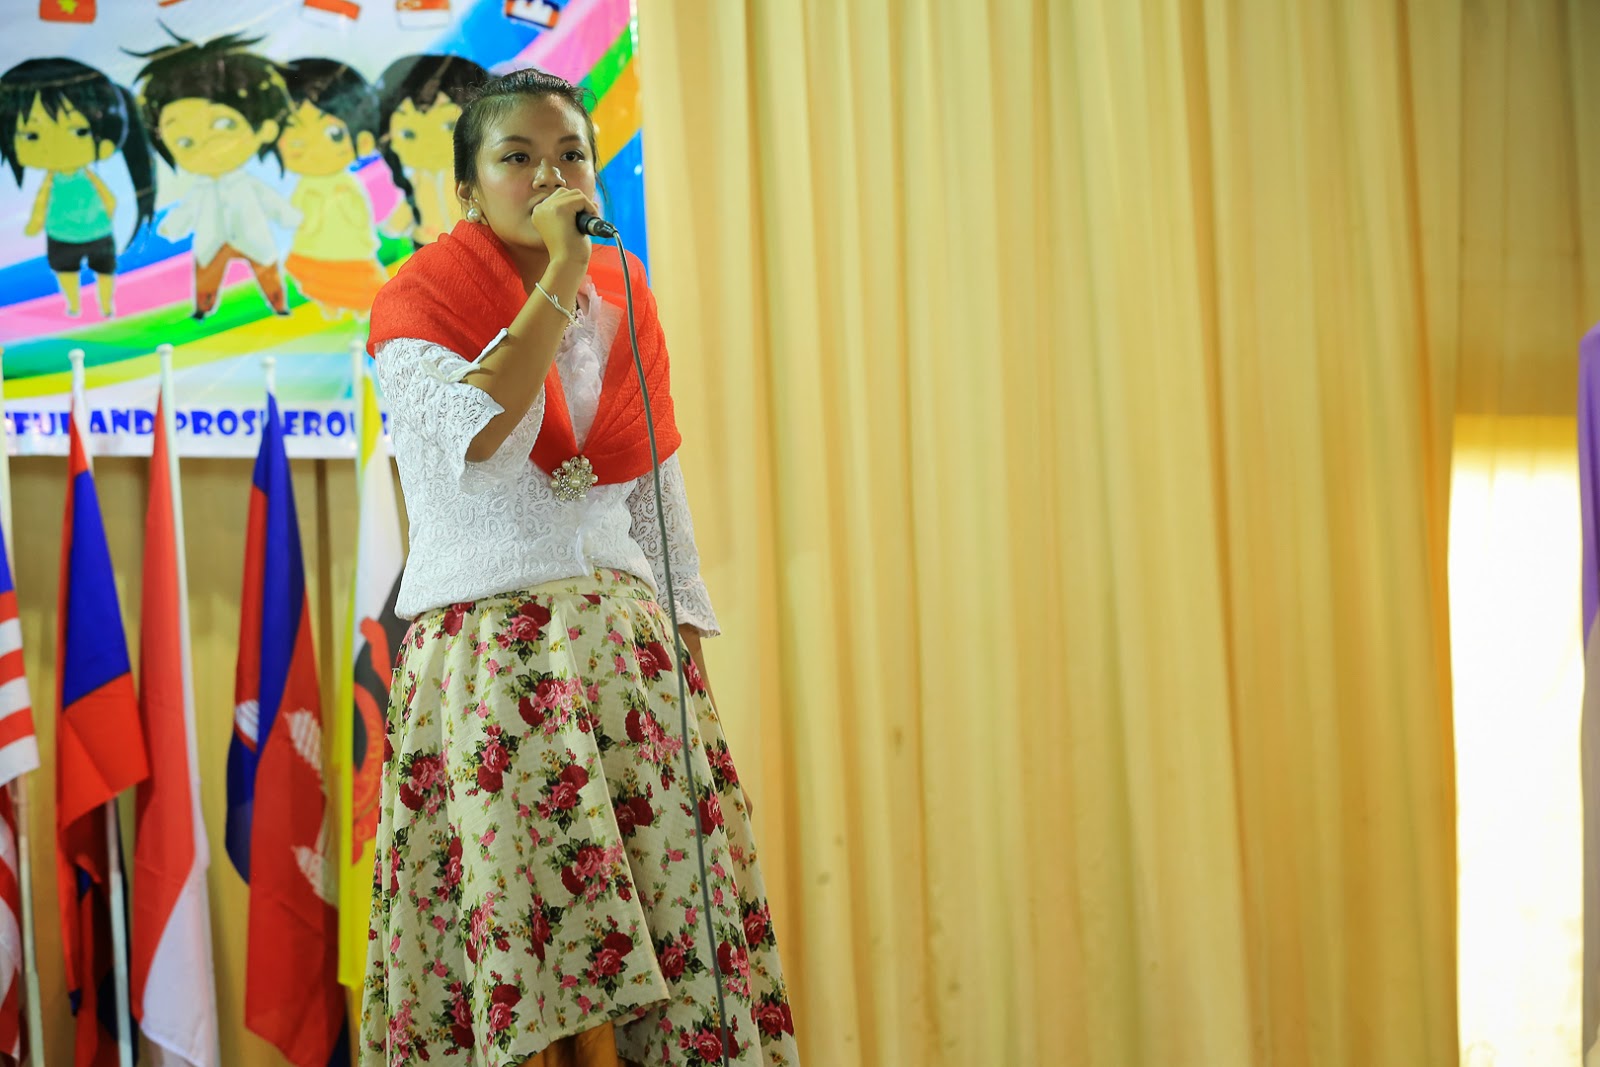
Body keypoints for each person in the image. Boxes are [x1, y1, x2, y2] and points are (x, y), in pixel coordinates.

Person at [362, 68, 801, 1067]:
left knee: (672, 936)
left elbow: (656, 498)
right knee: (526, 951)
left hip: (625, 667)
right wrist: (562, 275)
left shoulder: (625, 293)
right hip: (494, 668)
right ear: (468, 188)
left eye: (570, 154)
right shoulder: (415, 301)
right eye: (517, 157)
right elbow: (481, 432)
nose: (550, 175)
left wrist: (685, 666)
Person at [127, 29, 301, 319]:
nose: (207, 146)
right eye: (184, 142)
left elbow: (270, 201)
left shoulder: (248, 184)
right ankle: (203, 307)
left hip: (252, 235)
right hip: (213, 238)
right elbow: (188, 209)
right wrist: (174, 227)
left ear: (265, 129)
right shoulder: (202, 189)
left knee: (267, 268)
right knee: (207, 271)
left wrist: (289, 217)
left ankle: (278, 303)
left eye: (224, 126)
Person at [0, 57, 156, 317]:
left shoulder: (89, 176)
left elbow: (107, 197)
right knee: (67, 272)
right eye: (31, 135)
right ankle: (73, 305)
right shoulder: (52, 180)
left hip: (96, 231)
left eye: (80, 131)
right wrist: (36, 222)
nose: (55, 146)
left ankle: (106, 305)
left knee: (104, 271)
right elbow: (42, 201)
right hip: (62, 234)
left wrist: (109, 212)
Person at [278, 58, 389, 320]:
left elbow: (360, 216)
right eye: (292, 130)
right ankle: (329, 306)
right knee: (320, 287)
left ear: (363, 141)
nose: (309, 145)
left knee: (365, 292)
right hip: (313, 251)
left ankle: (364, 313)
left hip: (352, 253)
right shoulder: (305, 185)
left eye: (333, 134)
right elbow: (299, 216)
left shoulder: (348, 184)